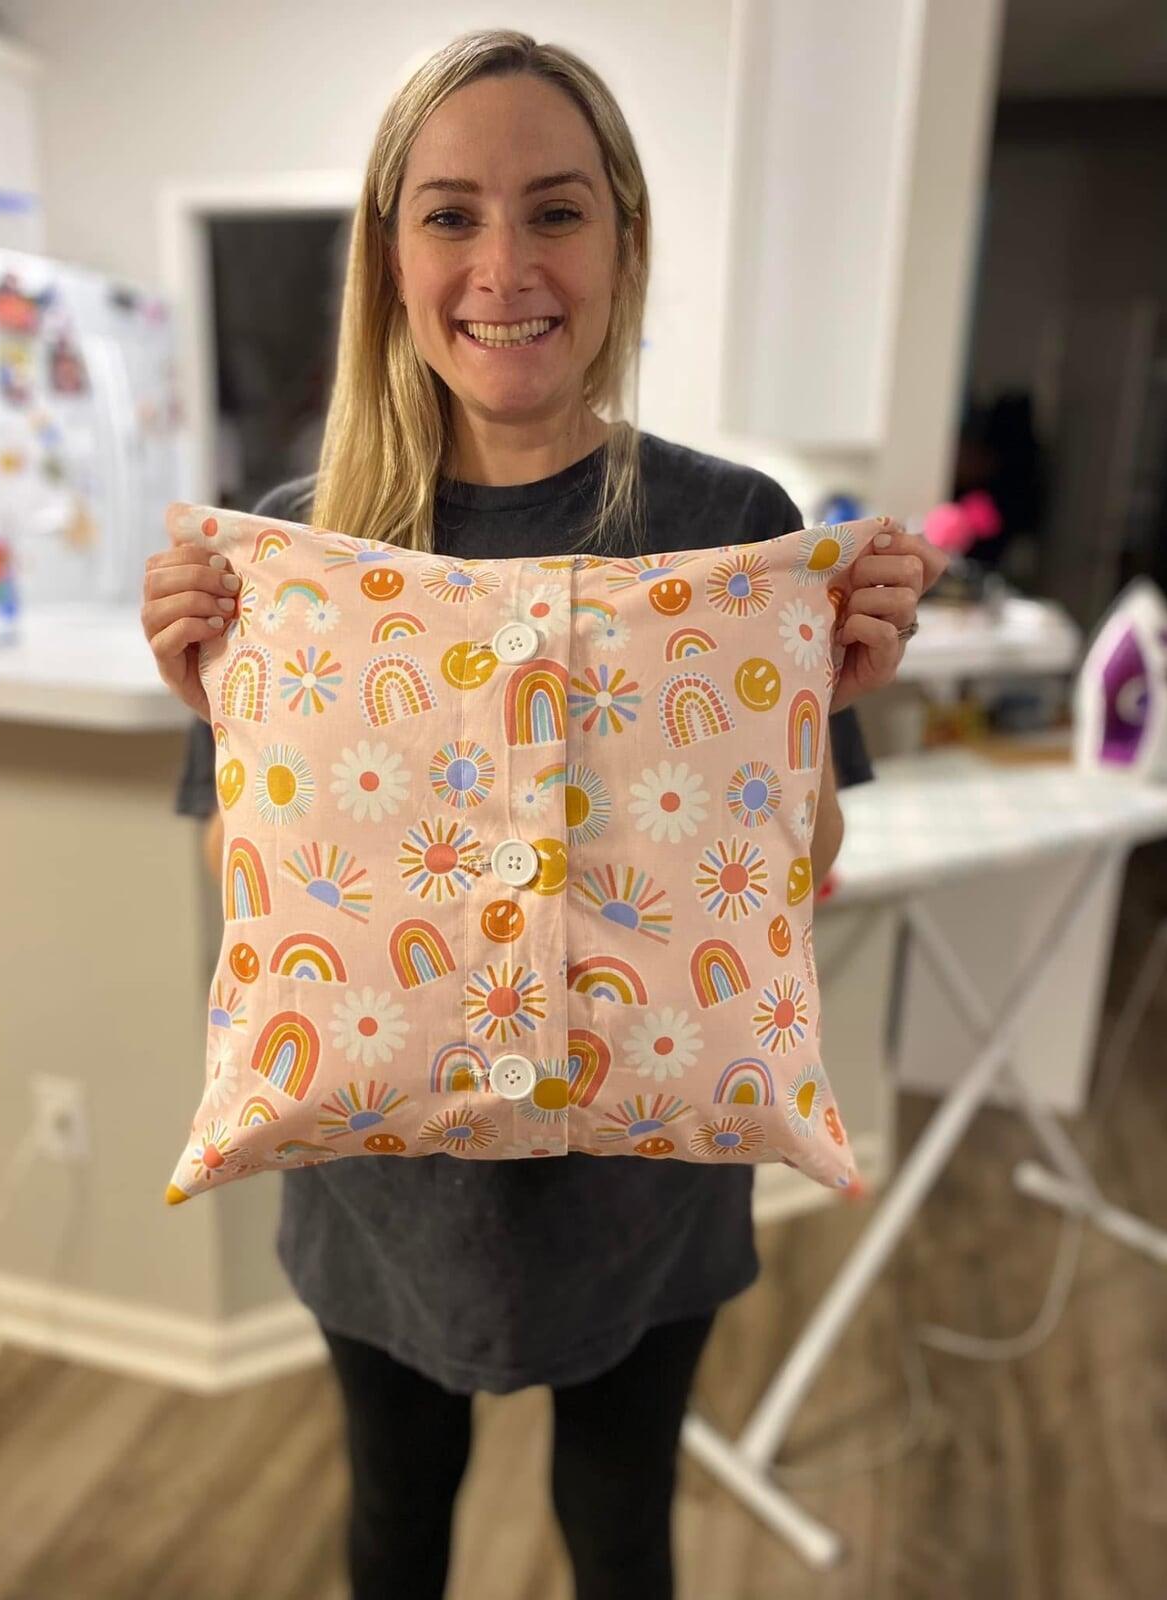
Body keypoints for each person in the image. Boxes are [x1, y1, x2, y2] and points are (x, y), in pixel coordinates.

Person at [142, 30, 946, 1600]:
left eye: (557, 211)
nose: (503, 267)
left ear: (623, 240)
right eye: (449, 214)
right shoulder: (297, 547)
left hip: (645, 1185)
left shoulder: (727, 529)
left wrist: (818, 710)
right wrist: (224, 713)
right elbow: (265, 902)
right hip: (382, 1184)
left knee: (621, 1527)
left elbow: (794, 883)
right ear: (390, 256)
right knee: (395, 1521)